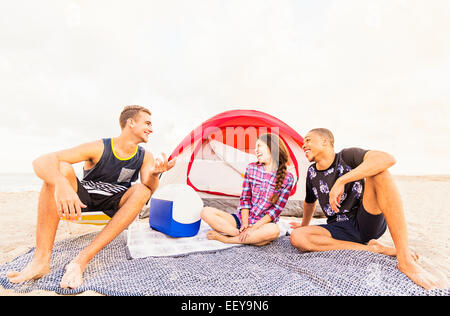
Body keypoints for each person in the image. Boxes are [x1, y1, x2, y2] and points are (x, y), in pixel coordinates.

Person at [7, 105, 176, 289]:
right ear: (131, 122)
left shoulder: (145, 156)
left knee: (142, 190)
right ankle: (40, 260)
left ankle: (80, 261)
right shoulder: (100, 147)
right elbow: (41, 161)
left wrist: (154, 175)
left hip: (116, 204)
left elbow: (149, 189)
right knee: (61, 167)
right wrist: (61, 183)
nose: (151, 129)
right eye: (147, 123)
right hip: (83, 199)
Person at [289, 128, 446, 290]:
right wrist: (304, 225)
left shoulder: (347, 156)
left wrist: (342, 181)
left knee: (379, 173)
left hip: (366, 220)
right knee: (297, 237)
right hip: (339, 228)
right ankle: (374, 249)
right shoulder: (311, 172)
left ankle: (404, 259)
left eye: (308, 140)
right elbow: (309, 202)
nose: (303, 145)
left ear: (325, 141)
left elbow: (386, 159)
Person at [201, 133, 295, 246]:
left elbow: (275, 211)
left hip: (262, 225)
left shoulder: (288, 178)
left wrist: (254, 227)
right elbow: (245, 199)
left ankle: (227, 239)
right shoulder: (251, 168)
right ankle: (243, 236)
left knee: (274, 231)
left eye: (259, 146)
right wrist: (245, 225)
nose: (256, 150)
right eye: (255, 147)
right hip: (242, 220)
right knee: (205, 212)